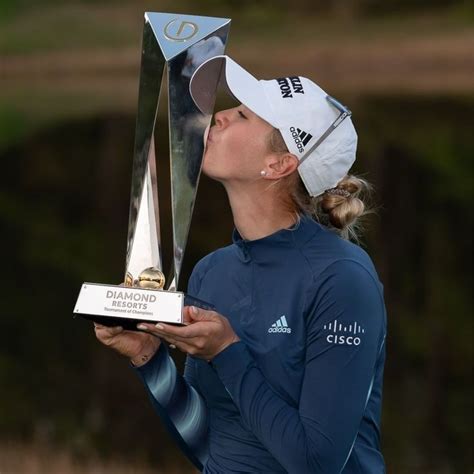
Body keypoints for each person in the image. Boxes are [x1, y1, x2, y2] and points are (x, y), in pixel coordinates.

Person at [95, 55, 387, 474]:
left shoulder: (343, 279)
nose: (219, 117)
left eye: (243, 114)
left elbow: (317, 463)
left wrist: (227, 352)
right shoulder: (213, 272)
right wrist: (149, 356)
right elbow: (207, 446)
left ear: (280, 164)